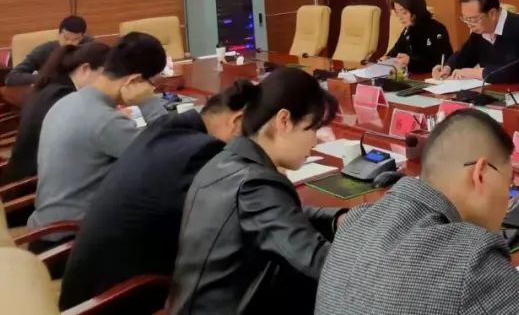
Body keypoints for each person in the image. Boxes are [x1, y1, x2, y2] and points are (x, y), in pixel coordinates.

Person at [316, 108, 519, 315]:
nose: (508, 200)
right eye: (510, 183)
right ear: (481, 173)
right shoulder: (470, 257)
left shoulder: (358, 221)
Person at [59, 79, 259, 312]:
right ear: (237, 122)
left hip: (85, 290)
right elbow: (226, 229)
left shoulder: (168, 130)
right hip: (116, 300)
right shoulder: (202, 152)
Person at [169, 67, 345, 315]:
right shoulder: (255, 185)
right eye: (312, 128)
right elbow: (320, 263)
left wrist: (336, 219)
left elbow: (282, 215)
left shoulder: (225, 162)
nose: (315, 141)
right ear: (284, 121)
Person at [29, 32, 168, 238]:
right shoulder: (106, 121)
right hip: (73, 237)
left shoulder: (67, 101)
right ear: (136, 80)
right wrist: (150, 103)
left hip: (45, 226)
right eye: (151, 85)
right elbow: (169, 155)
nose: (151, 90)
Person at [0, 40, 110, 185]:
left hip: (24, 172)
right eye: (105, 75)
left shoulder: (51, 86)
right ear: (85, 69)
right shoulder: (65, 98)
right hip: (32, 183)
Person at [433, 0, 519, 84]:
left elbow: (510, 71)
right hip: (493, 90)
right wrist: (448, 67)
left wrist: (472, 72)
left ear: (492, 14)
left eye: (473, 19)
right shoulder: (480, 30)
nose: (469, 25)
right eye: (465, 19)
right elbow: (465, 55)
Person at [5, 15, 92, 87]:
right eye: (66, 38)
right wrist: (44, 78)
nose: (69, 43)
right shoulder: (44, 50)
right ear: (59, 34)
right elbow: (12, 77)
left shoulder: (88, 46)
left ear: (82, 37)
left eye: (75, 39)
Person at [386, 0, 453, 73]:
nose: (400, 17)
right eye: (397, 12)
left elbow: (437, 63)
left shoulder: (436, 30)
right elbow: (395, 51)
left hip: (432, 77)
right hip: (412, 77)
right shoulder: (408, 30)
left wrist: (410, 61)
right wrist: (386, 59)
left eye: (404, 12)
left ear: (415, 10)